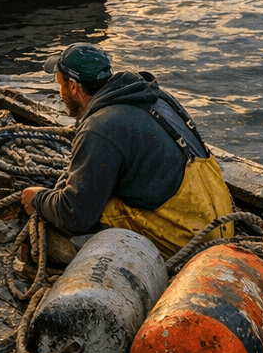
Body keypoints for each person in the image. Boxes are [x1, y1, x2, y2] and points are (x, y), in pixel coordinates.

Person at [20, 44, 234, 257]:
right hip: (220, 221)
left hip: (189, 239)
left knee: (83, 216)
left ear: (74, 86)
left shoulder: (100, 128)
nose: (60, 94)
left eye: (60, 84)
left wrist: (37, 199)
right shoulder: (154, 97)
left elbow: (76, 214)